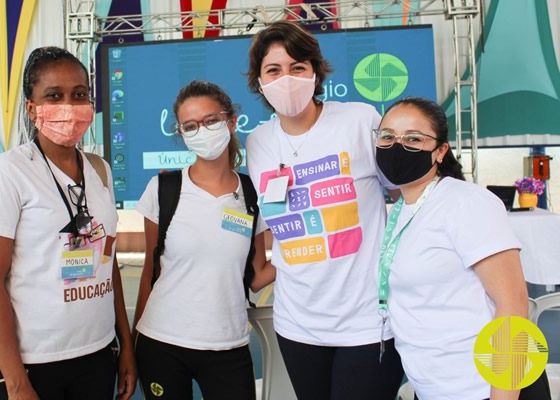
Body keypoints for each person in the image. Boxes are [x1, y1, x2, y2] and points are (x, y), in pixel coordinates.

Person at [245, 21, 404, 399]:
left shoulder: (359, 120)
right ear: (259, 80)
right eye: (274, 70)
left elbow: (403, 194)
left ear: (315, 72)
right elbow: (274, 222)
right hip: (298, 323)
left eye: (297, 67)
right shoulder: (259, 142)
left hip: (368, 320)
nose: (286, 78)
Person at [0, 46, 136, 400]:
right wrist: (15, 382)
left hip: (96, 353)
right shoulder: (9, 171)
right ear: (32, 107)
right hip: (30, 363)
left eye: (80, 95)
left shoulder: (100, 170)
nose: (70, 107)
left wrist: (125, 345)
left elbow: (108, 265)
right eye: (54, 96)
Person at [375, 96, 550, 400]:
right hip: (437, 387)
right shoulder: (403, 209)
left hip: (487, 387)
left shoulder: (467, 203)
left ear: (440, 150)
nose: (397, 146)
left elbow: (513, 306)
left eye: (413, 138)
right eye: (388, 136)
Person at [133, 80, 275, 400]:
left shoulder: (252, 196)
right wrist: (131, 345)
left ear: (231, 121)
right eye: (190, 125)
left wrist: (311, 249)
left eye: (211, 120)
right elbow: (149, 273)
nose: (203, 130)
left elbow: (258, 277)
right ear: (181, 134)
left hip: (229, 345)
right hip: (161, 342)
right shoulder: (163, 190)